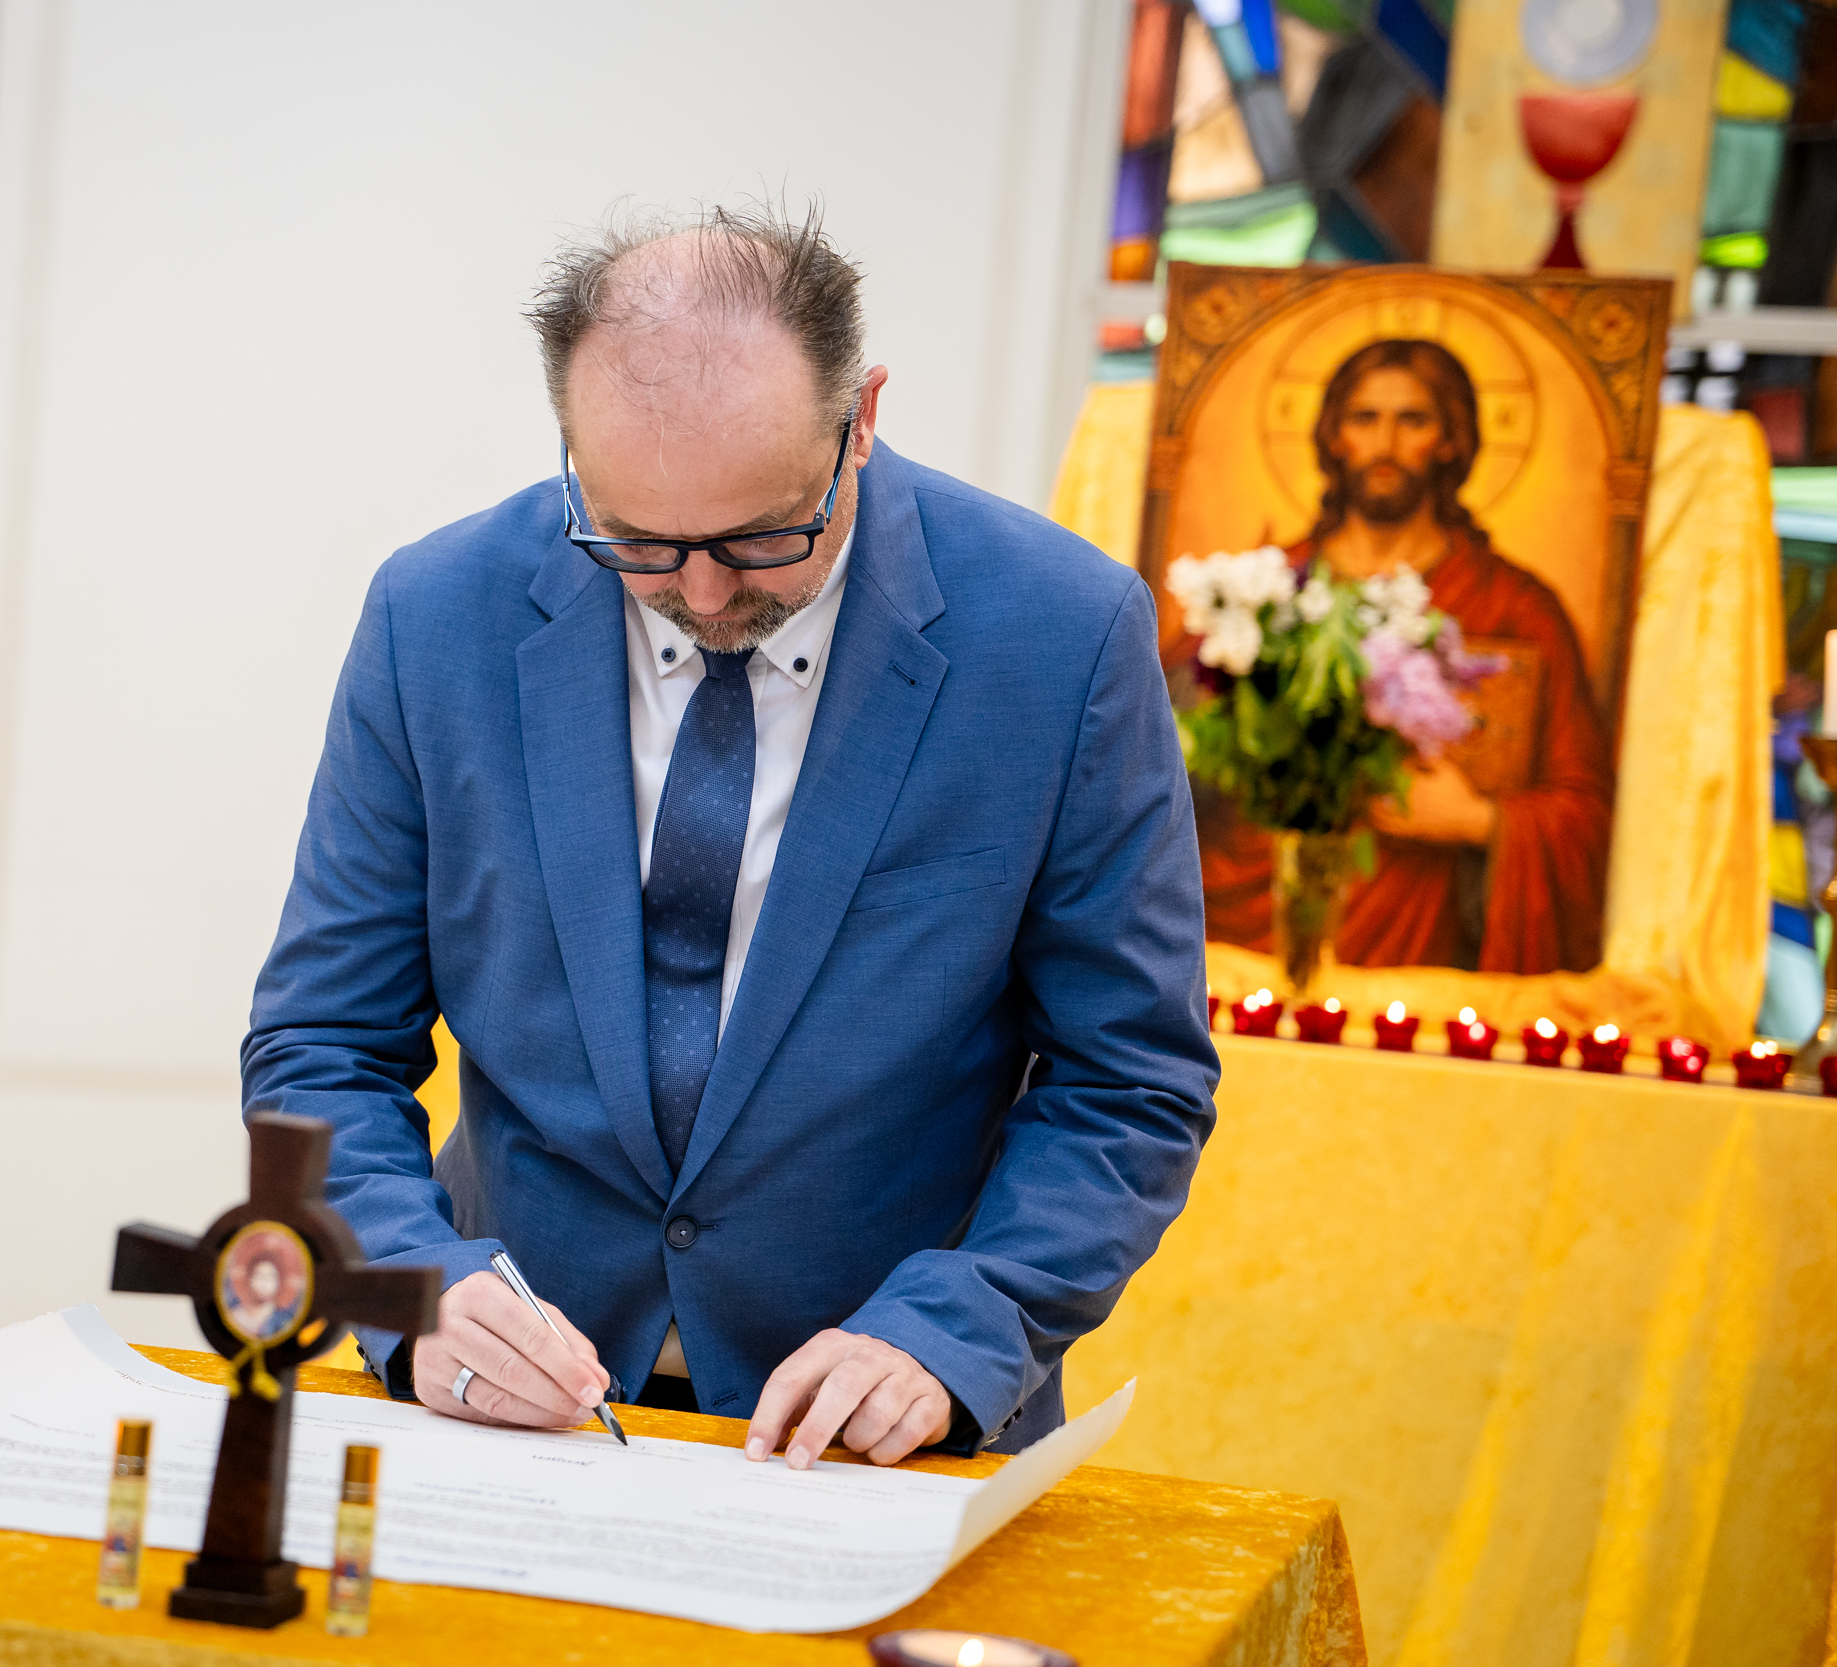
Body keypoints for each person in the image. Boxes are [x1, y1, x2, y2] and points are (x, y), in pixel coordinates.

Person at [243, 205, 1217, 1467]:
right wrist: (408, 1280)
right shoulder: (434, 617)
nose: (701, 592)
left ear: (860, 419)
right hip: (504, 1419)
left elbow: (1128, 1078)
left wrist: (957, 1329)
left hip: (873, 1438)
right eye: (638, 541)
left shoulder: (1060, 635)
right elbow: (322, 1042)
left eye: (764, 535)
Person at [1195, 339, 1613, 972]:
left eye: (1413, 420)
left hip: (1425, 950)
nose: (1385, 445)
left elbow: (1585, 809)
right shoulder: (1267, 590)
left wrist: (1479, 822)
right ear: (1335, 436)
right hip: (1252, 930)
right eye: (1365, 418)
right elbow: (1162, 755)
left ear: (1449, 441)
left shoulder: (1513, 607)